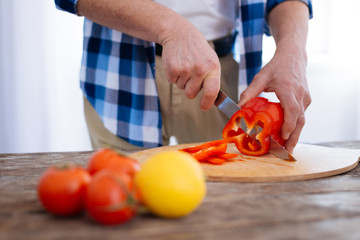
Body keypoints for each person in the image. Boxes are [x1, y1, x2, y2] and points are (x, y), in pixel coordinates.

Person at [55, 0, 312, 154]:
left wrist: (294, 48)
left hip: (217, 72)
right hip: (117, 73)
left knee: (227, 208)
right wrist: (170, 26)